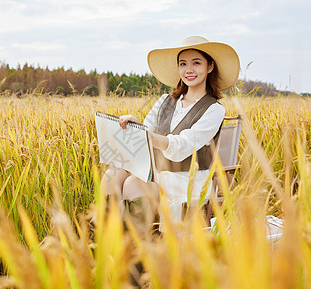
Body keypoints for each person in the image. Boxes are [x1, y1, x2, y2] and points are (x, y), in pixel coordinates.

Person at [100, 36, 240, 234]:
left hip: (185, 179)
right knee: (112, 175)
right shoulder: (166, 100)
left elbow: (183, 146)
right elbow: (146, 132)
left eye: (196, 63)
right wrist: (134, 125)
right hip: (158, 171)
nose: (188, 69)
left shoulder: (214, 109)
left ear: (210, 67)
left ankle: (135, 255)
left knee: (132, 183)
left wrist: (150, 136)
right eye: (183, 64)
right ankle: (103, 241)